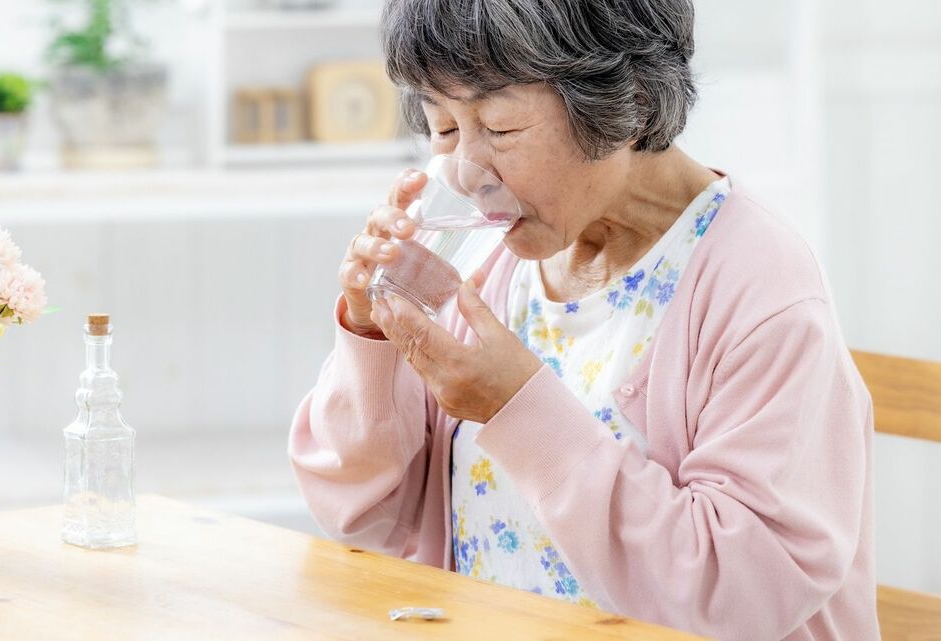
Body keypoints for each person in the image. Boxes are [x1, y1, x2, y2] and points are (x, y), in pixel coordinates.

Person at [289, 1, 879, 639]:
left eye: (502, 128)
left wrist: (518, 408)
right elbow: (365, 512)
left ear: (633, 103)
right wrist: (371, 337)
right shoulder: (487, 257)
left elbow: (741, 597)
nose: (466, 174)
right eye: (444, 129)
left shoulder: (760, 289)